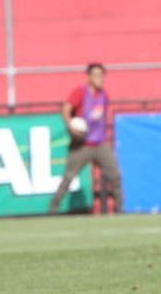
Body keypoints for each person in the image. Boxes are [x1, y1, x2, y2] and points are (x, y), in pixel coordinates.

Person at [48, 63, 123, 214]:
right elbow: (66, 109)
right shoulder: (80, 92)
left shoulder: (104, 95)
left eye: (102, 76)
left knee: (115, 176)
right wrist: (71, 127)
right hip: (82, 144)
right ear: (89, 77)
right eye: (96, 75)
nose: (100, 79)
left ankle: (119, 210)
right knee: (68, 177)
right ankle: (52, 209)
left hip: (100, 143)